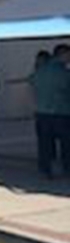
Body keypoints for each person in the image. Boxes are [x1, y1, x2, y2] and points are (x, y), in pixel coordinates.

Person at [31, 45, 70, 178]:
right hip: (61, 112)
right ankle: (67, 168)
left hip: (41, 112)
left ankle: (45, 169)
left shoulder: (40, 71)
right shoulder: (64, 73)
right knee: (66, 144)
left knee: (44, 144)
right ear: (62, 54)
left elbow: (32, 83)